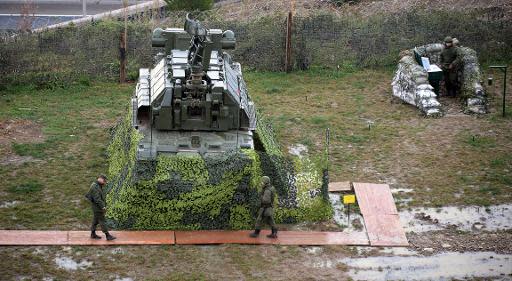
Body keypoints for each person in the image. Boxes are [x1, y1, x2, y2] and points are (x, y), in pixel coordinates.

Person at [86, 174, 116, 241]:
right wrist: (103, 206)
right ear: (100, 179)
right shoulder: (95, 187)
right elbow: (97, 199)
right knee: (102, 221)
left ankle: (92, 234)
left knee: (95, 221)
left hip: (96, 207)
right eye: (104, 181)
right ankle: (108, 235)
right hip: (97, 207)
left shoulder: (98, 185)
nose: (105, 183)